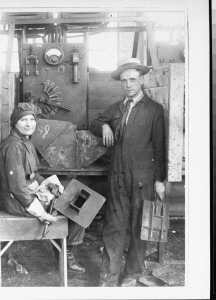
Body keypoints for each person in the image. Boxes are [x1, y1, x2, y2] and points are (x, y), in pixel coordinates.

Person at [90, 58, 166, 287]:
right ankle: (109, 277)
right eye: (124, 81)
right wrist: (104, 125)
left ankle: (132, 274)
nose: (128, 85)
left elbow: (160, 146)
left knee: (138, 226)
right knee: (114, 226)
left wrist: (160, 180)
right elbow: (94, 122)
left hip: (144, 177)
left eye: (132, 80)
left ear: (141, 80)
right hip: (118, 176)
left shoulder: (154, 110)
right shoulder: (117, 108)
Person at [0, 102, 85, 273]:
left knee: (78, 199)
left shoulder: (26, 142)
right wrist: (41, 213)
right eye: (23, 120)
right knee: (80, 209)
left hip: (29, 194)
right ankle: (65, 252)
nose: (29, 124)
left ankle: (63, 249)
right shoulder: (14, 145)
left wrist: (52, 186)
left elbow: (33, 174)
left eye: (32, 119)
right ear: (15, 123)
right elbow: (17, 188)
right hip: (20, 202)